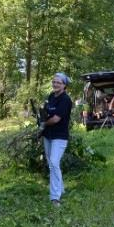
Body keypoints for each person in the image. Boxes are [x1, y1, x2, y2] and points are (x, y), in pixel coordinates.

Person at [39, 72, 73, 207]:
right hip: (48, 135)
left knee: (53, 163)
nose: (55, 84)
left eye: (58, 82)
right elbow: (46, 112)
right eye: (54, 82)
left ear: (64, 85)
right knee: (52, 164)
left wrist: (43, 123)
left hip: (60, 136)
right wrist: (41, 118)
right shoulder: (51, 96)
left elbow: (55, 119)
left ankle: (55, 197)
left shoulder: (66, 100)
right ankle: (61, 188)